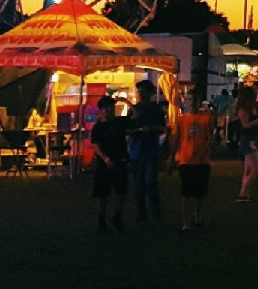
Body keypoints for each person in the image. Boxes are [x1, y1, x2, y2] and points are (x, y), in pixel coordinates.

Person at [126, 80, 167, 223]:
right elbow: (128, 129)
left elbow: (163, 128)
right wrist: (139, 130)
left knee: (150, 182)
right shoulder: (134, 109)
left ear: (149, 93)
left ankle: (154, 211)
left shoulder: (156, 109)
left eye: (143, 91)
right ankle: (141, 213)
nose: (141, 94)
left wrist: (152, 129)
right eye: (139, 92)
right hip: (137, 150)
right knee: (138, 183)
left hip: (150, 150)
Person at [172, 98, 214, 231]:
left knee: (200, 192)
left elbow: (210, 137)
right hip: (185, 159)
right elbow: (177, 137)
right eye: (190, 101)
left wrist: (204, 151)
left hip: (201, 160)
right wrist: (172, 155)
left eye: (195, 101)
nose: (192, 104)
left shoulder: (206, 119)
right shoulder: (181, 119)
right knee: (186, 192)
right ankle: (186, 221)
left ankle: (197, 215)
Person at [90, 95, 130, 233]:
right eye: (106, 109)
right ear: (101, 111)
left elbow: (136, 116)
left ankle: (117, 217)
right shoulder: (98, 127)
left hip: (120, 160)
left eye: (111, 108)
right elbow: (96, 145)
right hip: (104, 163)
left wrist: (126, 102)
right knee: (102, 194)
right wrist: (105, 158)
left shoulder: (120, 122)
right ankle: (101, 220)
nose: (109, 111)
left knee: (122, 192)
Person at [235, 92, 258, 202]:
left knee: (248, 169)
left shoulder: (250, 109)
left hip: (252, 138)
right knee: (257, 167)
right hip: (248, 140)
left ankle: (244, 193)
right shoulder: (243, 110)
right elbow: (245, 125)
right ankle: (243, 192)